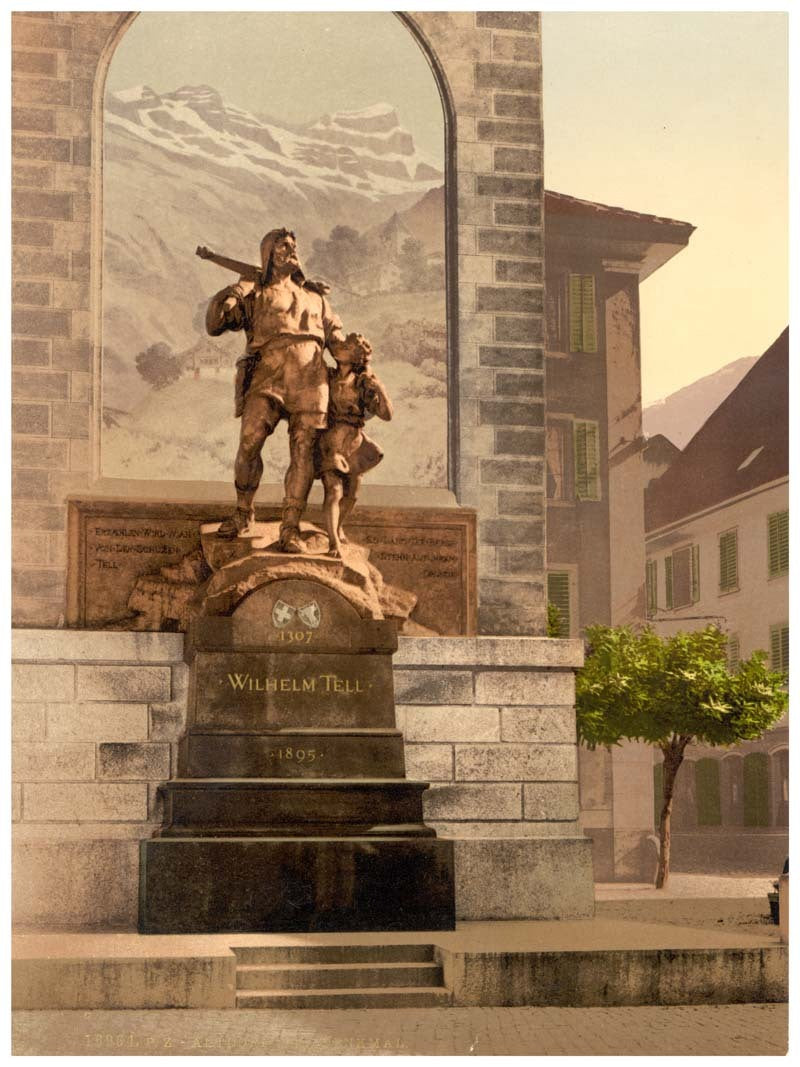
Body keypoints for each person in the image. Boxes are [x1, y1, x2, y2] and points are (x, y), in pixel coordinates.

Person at [205, 228, 367, 551]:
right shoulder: (257, 293)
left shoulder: (317, 298)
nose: (291, 250)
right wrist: (234, 291)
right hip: (268, 375)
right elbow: (215, 323)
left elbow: (337, 343)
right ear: (268, 255)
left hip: (311, 380)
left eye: (294, 246)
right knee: (249, 441)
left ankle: (289, 528)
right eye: (283, 246)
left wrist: (355, 349)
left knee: (303, 452)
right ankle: (243, 511)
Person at [315, 332, 393, 557]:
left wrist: (380, 389)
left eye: (347, 347)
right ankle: (333, 544)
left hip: (354, 442)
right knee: (333, 492)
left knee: (352, 495)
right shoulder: (327, 375)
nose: (340, 348)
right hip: (331, 440)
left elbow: (387, 415)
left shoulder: (363, 382)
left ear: (355, 356)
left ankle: (337, 527)